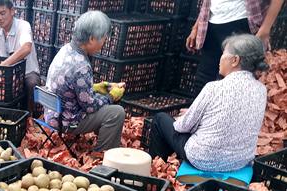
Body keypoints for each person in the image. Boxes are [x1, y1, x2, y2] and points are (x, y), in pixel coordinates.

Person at [149, 34, 268, 172]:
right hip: (240, 161)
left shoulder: (214, 88)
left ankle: (155, 173)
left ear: (235, 60)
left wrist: (187, 117)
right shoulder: (261, 90)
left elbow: (183, 127)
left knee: (160, 120)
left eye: (223, 54)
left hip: (205, 159)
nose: (220, 59)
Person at [44, 11, 126, 152]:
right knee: (117, 113)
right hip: (65, 120)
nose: (104, 43)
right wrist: (112, 96)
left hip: (52, 111)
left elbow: (69, 85)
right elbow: (90, 107)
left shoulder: (66, 49)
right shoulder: (81, 66)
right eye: (104, 39)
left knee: (103, 99)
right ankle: (102, 155)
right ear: (92, 39)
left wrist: (96, 88)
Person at [186, 0, 284, 92]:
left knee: (234, 82)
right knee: (203, 79)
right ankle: (199, 109)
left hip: (241, 22)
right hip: (211, 23)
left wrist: (265, 30)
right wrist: (196, 26)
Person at [0, 0, 40, 112]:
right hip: (5, 74)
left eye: (2, 13)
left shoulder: (23, 26)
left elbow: (26, 48)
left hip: (27, 73)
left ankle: (30, 117)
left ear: (12, 11)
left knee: (32, 83)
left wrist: (4, 66)